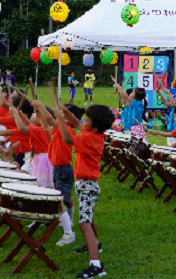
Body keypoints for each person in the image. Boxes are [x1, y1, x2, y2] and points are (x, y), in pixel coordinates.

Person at [53, 103, 113, 279]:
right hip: (86, 185)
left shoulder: (90, 140)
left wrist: (59, 119)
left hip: (87, 185)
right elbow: (78, 123)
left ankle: (96, 266)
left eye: (86, 118)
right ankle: (95, 244)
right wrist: (65, 113)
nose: (82, 120)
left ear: (93, 127)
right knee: (89, 216)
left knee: (83, 222)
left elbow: (67, 138)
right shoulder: (93, 132)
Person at [32, 99, 83, 247]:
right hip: (60, 169)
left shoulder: (68, 130)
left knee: (59, 201)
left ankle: (68, 233)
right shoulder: (60, 130)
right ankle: (70, 220)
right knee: (65, 198)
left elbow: (50, 120)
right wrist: (39, 114)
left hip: (63, 169)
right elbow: (45, 125)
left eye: (63, 115)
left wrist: (41, 105)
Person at [13, 104, 53, 188]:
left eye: (34, 114)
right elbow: (28, 124)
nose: (32, 114)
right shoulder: (40, 128)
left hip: (41, 161)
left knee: (39, 186)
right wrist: (20, 115)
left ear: (40, 119)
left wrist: (15, 115)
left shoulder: (38, 130)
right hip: (40, 159)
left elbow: (22, 128)